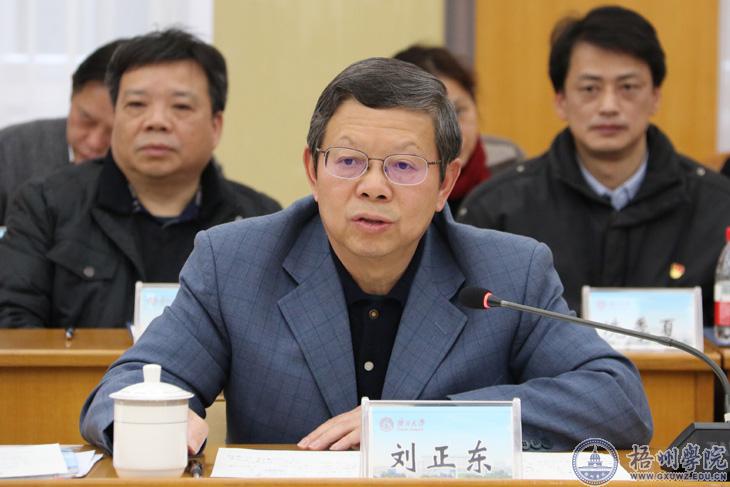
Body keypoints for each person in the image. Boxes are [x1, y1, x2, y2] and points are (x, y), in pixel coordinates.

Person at [80, 57, 651, 455]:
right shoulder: (235, 262)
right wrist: (158, 419)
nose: (373, 187)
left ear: (446, 183)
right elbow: (126, 384)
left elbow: (617, 400)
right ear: (313, 169)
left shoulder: (507, 272)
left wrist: (420, 424)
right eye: (349, 161)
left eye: (403, 166)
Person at [459, 6, 730, 324]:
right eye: (590, 89)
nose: (609, 106)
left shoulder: (718, 206)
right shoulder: (498, 210)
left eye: (628, 87)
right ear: (561, 100)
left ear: (655, 96)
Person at [0, 29, 280, 329]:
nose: (156, 122)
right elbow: (12, 327)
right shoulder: (45, 206)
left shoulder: (262, 222)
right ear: (116, 117)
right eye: (136, 105)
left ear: (215, 126)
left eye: (181, 106)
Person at [0, 39, 125, 224]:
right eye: (86, 120)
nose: (95, 142)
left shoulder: (152, 169)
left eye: (114, 131)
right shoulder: (11, 149)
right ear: (72, 94)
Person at [393, 45, 524, 213]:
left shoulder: (508, 159)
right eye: (434, 117)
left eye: (459, 111)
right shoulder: (386, 172)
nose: (454, 132)